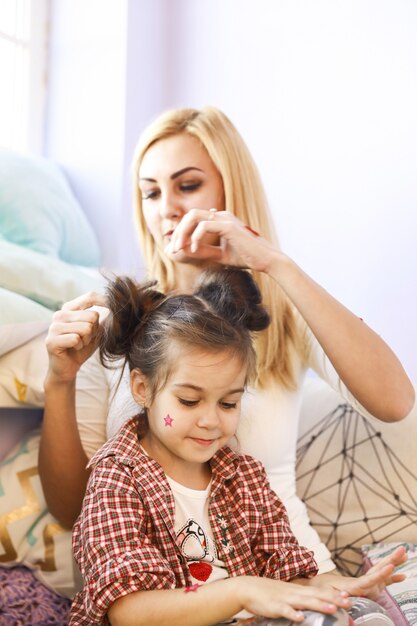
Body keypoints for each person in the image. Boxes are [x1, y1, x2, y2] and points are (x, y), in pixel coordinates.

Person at [40, 106, 414, 571]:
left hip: (293, 579)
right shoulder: (120, 318)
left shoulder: (282, 309)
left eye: (187, 185)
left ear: (230, 191)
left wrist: (274, 264)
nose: (166, 208)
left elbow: (395, 401)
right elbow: (74, 510)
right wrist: (59, 380)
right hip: (163, 596)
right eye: (150, 193)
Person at [70, 269, 403, 626]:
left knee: (355, 615)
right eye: (189, 401)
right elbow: (128, 611)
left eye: (228, 404)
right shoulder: (117, 479)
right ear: (142, 389)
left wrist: (343, 589)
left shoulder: (244, 477)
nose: (211, 421)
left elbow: (291, 578)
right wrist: (241, 590)